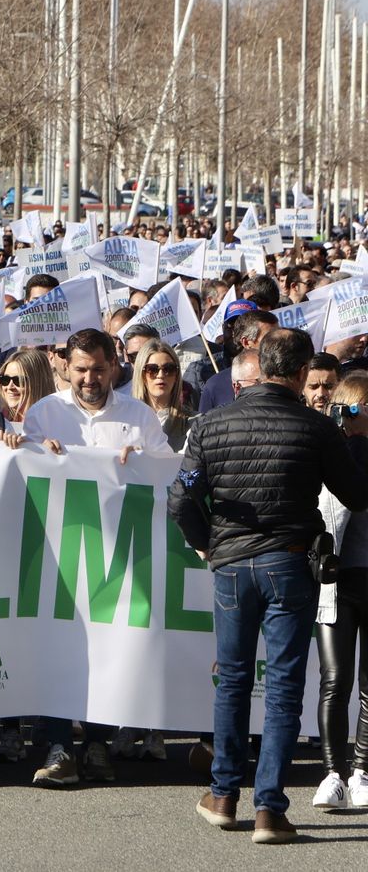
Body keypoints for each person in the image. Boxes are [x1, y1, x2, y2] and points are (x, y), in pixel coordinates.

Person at [170, 328, 368, 844]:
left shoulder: (211, 424)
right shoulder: (316, 427)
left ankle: (223, 796)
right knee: (282, 688)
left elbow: (180, 498)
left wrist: (208, 545)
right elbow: (356, 494)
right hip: (290, 562)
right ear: (301, 373)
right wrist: (355, 440)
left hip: (232, 566)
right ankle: (269, 810)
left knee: (234, 681)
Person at [23, 328, 170, 787]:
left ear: (114, 367)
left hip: (118, 555)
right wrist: (35, 452)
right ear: (65, 367)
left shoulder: (139, 416)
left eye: (99, 370)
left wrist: (143, 459)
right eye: (81, 370)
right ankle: (59, 747)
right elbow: (18, 471)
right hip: (58, 551)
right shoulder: (44, 414)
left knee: (110, 644)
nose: (90, 379)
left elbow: (169, 472)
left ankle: (98, 743)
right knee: (57, 645)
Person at [313, 371, 368, 810]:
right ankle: (333, 773)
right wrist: (346, 441)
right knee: (335, 680)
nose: (355, 416)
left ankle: (362, 770)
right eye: (350, 408)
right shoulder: (328, 454)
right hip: (337, 582)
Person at [198, 305, 276, 414]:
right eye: (270, 339)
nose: (277, 344)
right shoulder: (215, 385)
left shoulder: (288, 378)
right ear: (246, 342)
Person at [132, 338, 193, 451]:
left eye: (169, 369)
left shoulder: (195, 421)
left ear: (176, 376)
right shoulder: (126, 420)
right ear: (141, 375)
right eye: (152, 369)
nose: (161, 375)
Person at [0, 349, 56, 425]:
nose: (10, 387)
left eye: (18, 380)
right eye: (5, 379)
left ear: (38, 383)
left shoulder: (54, 422)